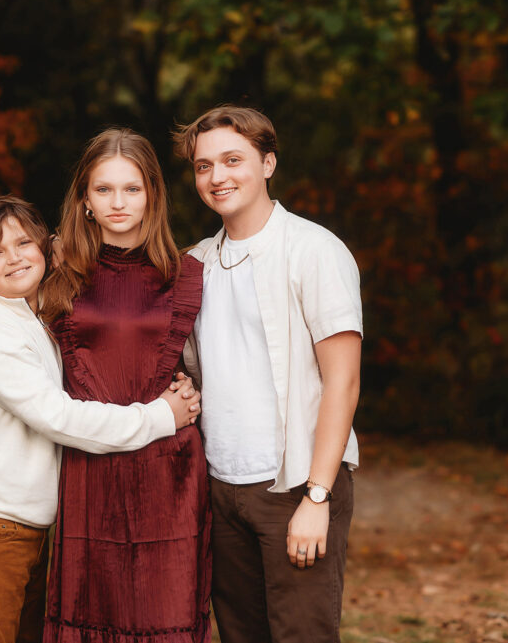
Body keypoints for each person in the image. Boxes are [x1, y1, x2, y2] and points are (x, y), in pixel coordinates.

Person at [0, 195, 202, 643]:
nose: (13, 258)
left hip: (19, 524)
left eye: (22, 243)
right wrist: (159, 417)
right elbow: (59, 417)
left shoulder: (39, 317)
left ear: (46, 247)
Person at [173, 105, 362, 643]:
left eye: (233, 160)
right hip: (221, 486)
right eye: (204, 165)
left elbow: (342, 383)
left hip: (296, 485)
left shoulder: (314, 250)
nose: (217, 176)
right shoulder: (195, 263)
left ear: (269, 163)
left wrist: (317, 497)